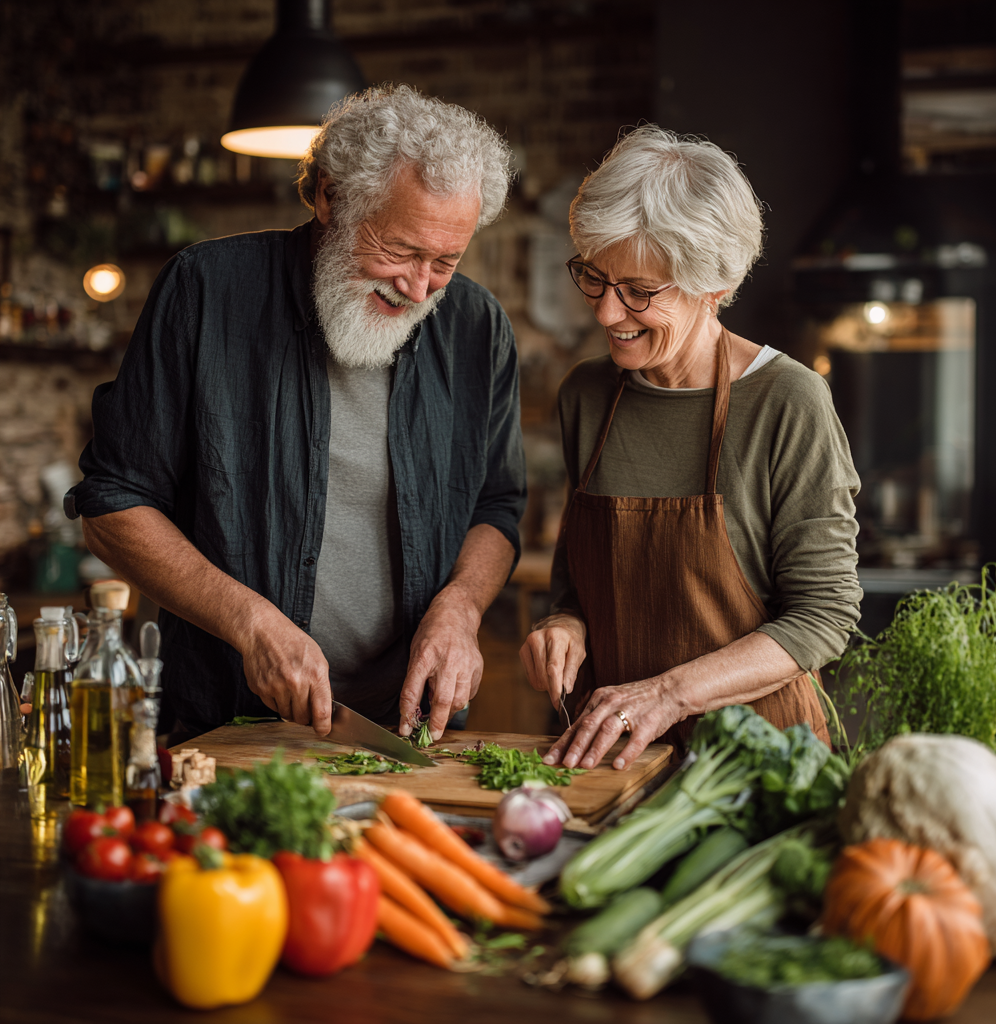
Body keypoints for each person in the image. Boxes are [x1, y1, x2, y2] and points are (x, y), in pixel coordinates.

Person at [67, 85, 526, 742]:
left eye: (444, 262)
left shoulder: (478, 328)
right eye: (399, 250)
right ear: (329, 197)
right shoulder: (204, 291)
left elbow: (496, 507)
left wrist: (462, 606)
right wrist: (250, 624)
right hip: (224, 723)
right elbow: (112, 507)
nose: (419, 287)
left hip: (408, 726)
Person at [520, 127, 861, 772]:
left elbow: (824, 615)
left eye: (640, 292)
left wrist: (669, 695)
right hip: (609, 758)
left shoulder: (789, 402)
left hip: (756, 764)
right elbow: (577, 585)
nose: (606, 314)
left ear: (715, 288)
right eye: (595, 277)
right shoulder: (587, 395)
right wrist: (564, 626)